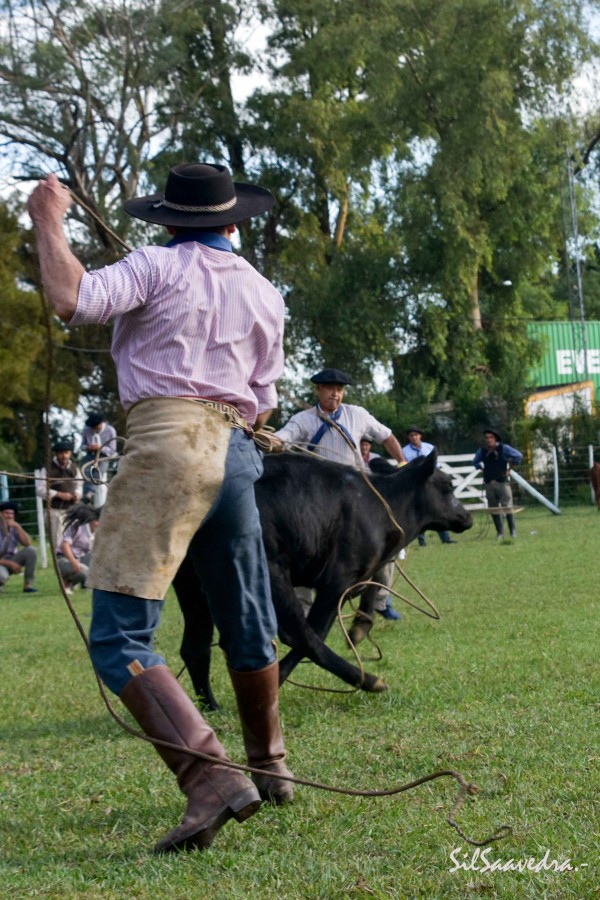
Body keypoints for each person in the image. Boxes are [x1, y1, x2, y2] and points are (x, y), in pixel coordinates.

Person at [28, 162, 291, 854]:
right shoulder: (265, 292)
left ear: (168, 222)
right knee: (246, 616)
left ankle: (210, 779)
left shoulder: (152, 266)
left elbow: (69, 297)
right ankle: (270, 763)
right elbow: (264, 401)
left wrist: (46, 217)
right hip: (235, 455)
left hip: (167, 450)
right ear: (233, 223)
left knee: (118, 636)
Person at [274, 369, 404, 619]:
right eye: (330, 388)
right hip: (316, 501)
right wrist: (269, 439)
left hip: (357, 496)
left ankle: (379, 601)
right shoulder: (303, 419)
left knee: (387, 543)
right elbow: (284, 438)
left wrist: (402, 464)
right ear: (319, 390)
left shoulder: (358, 414)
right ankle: (303, 611)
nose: (335, 393)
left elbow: (386, 436)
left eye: (340, 389)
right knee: (303, 549)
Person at [402, 427, 457, 546]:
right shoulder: (404, 451)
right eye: (411, 435)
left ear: (420, 436)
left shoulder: (430, 448)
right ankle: (422, 541)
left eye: (416, 435)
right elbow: (404, 467)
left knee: (437, 508)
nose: (414, 437)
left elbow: (438, 465)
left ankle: (445, 538)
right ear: (409, 437)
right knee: (419, 511)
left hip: (431, 482)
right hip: (416, 483)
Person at [472, 428, 523, 540]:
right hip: (489, 483)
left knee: (508, 507)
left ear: (495, 438)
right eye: (487, 438)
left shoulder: (503, 448)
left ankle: (512, 531)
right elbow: (474, 462)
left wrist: (510, 468)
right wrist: (481, 469)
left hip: (502, 482)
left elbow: (518, 456)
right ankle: (499, 533)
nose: (489, 440)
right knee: (493, 508)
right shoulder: (482, 451)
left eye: (491, 437)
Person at [35, 440, 83, 547]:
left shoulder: (74, 468)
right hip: (55, 511)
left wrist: (76, 495)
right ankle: (61, 563)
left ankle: (73, 563)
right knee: (59, 543)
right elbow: (39, 489)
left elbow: (79, 485)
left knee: (75, 542)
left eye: (66, 453)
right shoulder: (48, 468)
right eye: (61, 453)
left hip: (72, 510)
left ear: (70, 453)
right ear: (56, 454)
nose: (64, 456)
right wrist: (58, 494)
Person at [57, 504, 101, 595]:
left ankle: (82, 585)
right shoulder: (77, 527)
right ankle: (66, 583)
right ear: (92, 520)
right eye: (97, 521)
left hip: (81, 558)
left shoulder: (97, 533)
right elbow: (65, 545)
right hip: (64, 559)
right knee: (84, 571)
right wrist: (73, 560)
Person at [0, 501, 38, 593]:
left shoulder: (14, 528)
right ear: (1, 514)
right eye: (6, 513)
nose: (9, 516)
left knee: (31, 551)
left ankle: (27, 586)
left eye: (12, 513)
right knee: (2, 577)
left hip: (10, 558)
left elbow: (27, 543)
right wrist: (11, 564)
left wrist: (18, 527)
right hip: (2, 562)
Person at [80, 413, 118, 500]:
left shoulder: (110, 430)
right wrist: (88, 447)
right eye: (92, 428)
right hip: (90, 455)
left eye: (96, 427)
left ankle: (89, 493)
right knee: (85, 470)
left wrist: (100, 448)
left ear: (101, 423)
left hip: (104, 456)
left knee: (98, 471)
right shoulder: (86, 430)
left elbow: (112, 450)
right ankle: (84, 494)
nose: (94, 429)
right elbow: (82, 446)